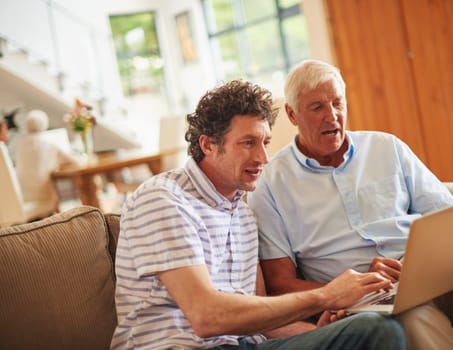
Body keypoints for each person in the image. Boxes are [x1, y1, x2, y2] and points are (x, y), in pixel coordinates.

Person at [248, 59, 453, 350]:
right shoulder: (270, 183)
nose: (332, 116)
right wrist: (348, 289)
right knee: (417, 321)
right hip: (372, 298)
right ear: (292, 114)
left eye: (337, 103)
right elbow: (280, 284)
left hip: (432, 272)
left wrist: (434, 259)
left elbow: (450, 216)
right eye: (317, 108)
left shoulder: (387, 147)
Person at [110, 80, 406, 350]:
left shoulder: (243, 214)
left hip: (244, 346)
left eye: (265, 142)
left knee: (373, 329)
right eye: (248, 143)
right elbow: (206, 317)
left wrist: (316, 329)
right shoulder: (164, 200)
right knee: (374, 332)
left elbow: (263, 317)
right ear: (208, 145)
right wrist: (325, 295)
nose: (264, 158)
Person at [15, 109, 80, 214]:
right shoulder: (49, 142)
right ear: (44, 124)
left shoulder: (20, 145)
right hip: (45, 197)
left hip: (23, 196)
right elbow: (75, 162)